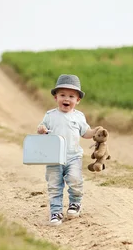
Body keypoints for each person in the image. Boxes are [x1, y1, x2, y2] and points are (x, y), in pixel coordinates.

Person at [37, 74, 101, 226]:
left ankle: (75, 203)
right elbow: (42, 129)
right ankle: (56, 212)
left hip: (73, 157)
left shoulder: (79, 117)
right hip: (53, 157)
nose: (67, 99)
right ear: (56, 97)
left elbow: (85, 133)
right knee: (54, 186)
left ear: (77, 100)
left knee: (75, 180)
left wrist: (95, 132)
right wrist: (42, 130)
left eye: (71, 96)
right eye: (62, 95)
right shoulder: (50, 115)